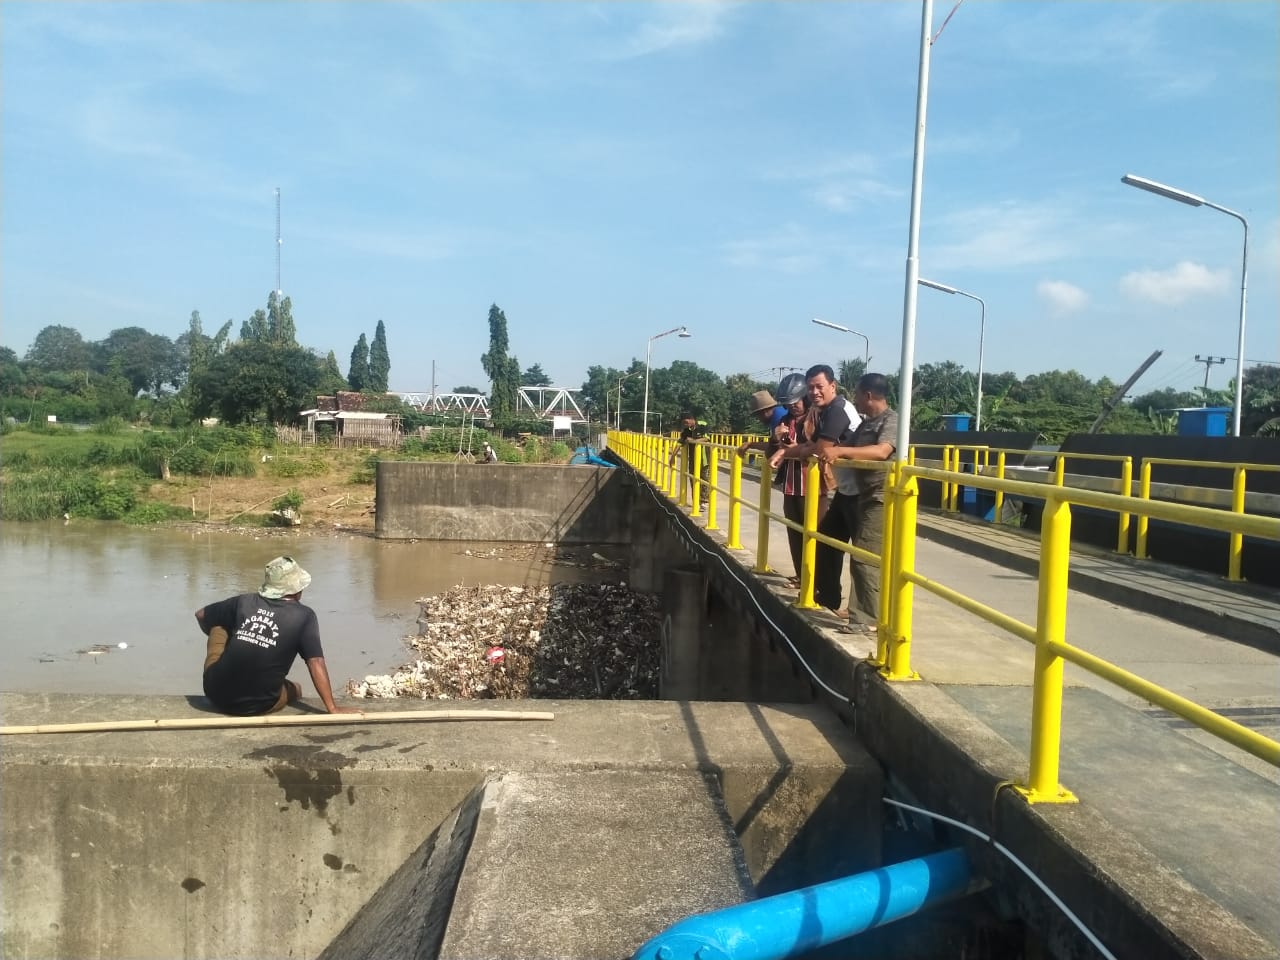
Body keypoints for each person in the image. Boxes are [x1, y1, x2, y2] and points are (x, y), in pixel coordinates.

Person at [196, 556, 359, 716]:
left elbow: (201, 615)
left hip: (215, 693)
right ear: (297, 589)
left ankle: (227, 671)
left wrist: (236, 641)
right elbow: (315, 661)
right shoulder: (304, 616)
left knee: (219, 624)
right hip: (260, 705)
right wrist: (333, 708)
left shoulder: (244, 601)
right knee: (296, 689)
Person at [770, 365, 862, 592]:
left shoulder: (835, 410)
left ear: (833, 386)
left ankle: (859, 614)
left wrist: (788, 450)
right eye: (810, 388)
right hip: (845, 489)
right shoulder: (824, 412)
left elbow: (818, 448)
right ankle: (821, 593)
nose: (814, 392)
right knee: (822, 541)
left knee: (857, 553)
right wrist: (782, 446)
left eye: (818, 387)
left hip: (857, 489)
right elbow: (813, 446)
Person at [816, 373, 899, 624]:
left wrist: (840, 450)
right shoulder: (866, 423)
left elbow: (882, 451)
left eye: (857, 394)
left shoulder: (892, 420)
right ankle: (828, 598)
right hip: (857, 493)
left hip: (880, 495)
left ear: (868, 395)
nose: (855, 399)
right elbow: (846, 446)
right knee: (826, 538)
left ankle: (865, 619)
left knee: (865, 556)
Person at [669, 412, 710, 508]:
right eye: (684, 423)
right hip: (692, 458)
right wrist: (672, 457)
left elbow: (707, 438)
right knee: (692, 478)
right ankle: (696, 500)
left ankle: (704, 501)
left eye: (686, 422)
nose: (685, 424)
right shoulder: (686, 430)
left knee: (704, 478)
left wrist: (693, 441)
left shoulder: (702, 425)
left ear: (691, 419)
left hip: (704, 458)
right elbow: (680, 443)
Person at [736, 389, 789, 461]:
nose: (758, 419)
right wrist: (750, 444)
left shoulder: (779, 419)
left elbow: (776, 447)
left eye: (757, 415)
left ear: (765, 411)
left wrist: (751, 444)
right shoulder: (778, 413)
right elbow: (772, 444)